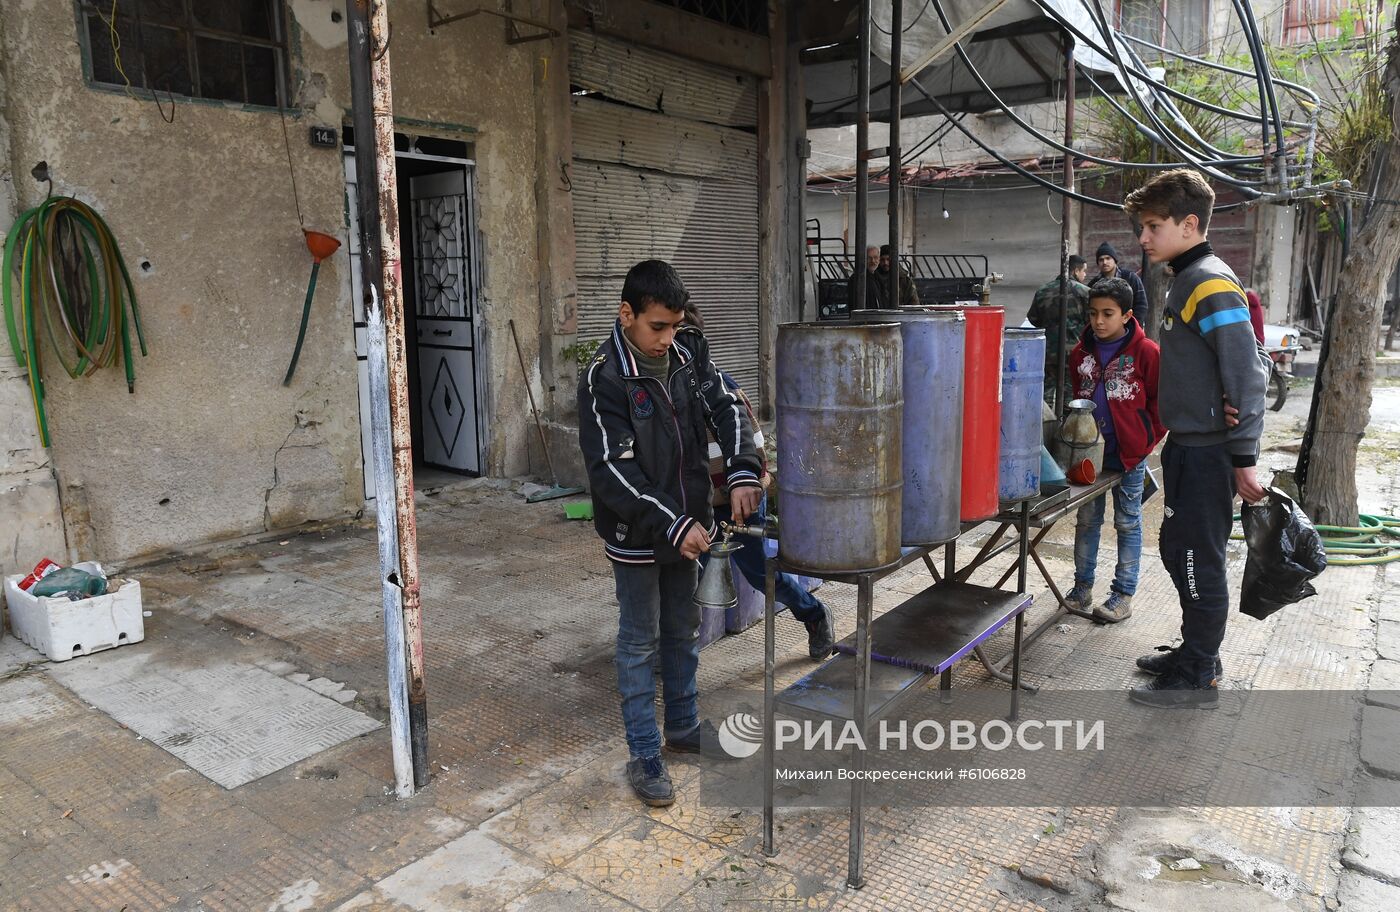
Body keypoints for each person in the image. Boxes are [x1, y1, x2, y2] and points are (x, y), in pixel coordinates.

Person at [577, 259, 764, 806]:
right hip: (639, 533)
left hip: (688, 526)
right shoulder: (604, 379)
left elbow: (726, 405)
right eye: (657, 326)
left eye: (675, 326)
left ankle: (682, 729)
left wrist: (742, 469)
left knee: (682, 628)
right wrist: (673, 521)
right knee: (639, 640)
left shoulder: (688, 353)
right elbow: (612, 472)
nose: (667, 338)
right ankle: (644, 751)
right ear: (627, 313)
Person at [1123, 169, 1269, 708]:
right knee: (1178, 550)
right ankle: (1194, 650)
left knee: (1196, 561)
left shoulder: (1207, 280)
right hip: (1187, 444)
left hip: (1208, 452)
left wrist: (1244, 457)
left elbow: (1248, 372)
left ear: (1190, 225)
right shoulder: (1185, 276)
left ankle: (1200, 674)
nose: (1143, 238)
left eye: (1153, 226)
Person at [681, 302, 837, 660]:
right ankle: (678, 650)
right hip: (696, 505)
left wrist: (741, 490)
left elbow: (755, 452)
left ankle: (813, 614)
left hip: (739, 502)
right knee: (687, 578)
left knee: (757, 574)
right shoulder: (664, 394)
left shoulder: (724, 389)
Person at [1060, 277, 1164, 625]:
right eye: (1093, 314)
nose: (1099, 321)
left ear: (1127, 315)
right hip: (1088, 456)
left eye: (1108, 314)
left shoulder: (1146, 352)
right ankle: (1081, 587)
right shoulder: (1080, 354)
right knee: (1087, 520)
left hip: (1129, 456)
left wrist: (1144, 439)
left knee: (1127, 522)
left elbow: (1159, 404)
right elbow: (1078, 397)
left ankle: (1122, 594)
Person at [1027, 255, 1092, 405]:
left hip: (1048, 351)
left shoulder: (1043, 291)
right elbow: (1092, 322)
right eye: (1084, 271)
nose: (1085, 275)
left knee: (1046, 393)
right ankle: (1066, 425)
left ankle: (1045, 424)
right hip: (1075, 351)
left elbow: (1033, 319)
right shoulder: (1085, 292)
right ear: (1076, 270)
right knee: (1071, 392)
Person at [1095, 242, 1150, 326]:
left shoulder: (1130, 277)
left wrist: (1133, 326)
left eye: (1108, 258)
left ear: (1115, 260)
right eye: (1101, 260)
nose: (1105, 262)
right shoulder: (1095, 283)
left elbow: (1141, 305)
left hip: (1129, 328)